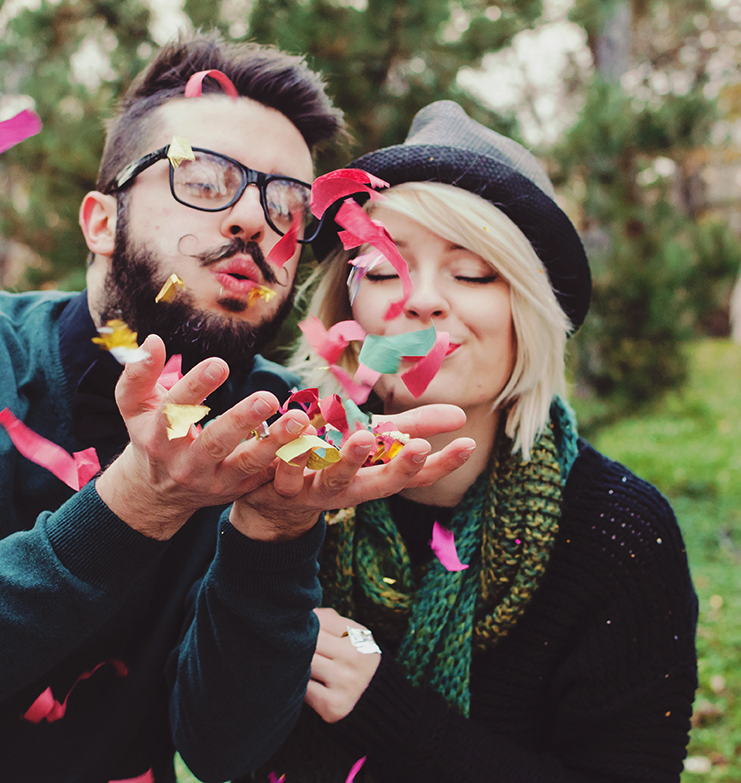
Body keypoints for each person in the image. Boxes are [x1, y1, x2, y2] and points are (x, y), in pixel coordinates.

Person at [0, 36, 474, 783]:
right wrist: (143, 498)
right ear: (100, 221)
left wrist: (275, 532)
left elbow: (223, 750)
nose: (251, 219)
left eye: (286, 204)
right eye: (203, 180)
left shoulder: (277, 427)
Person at [254, 101, 700, 782]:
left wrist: (385, 710)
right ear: (349, 313)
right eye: (382, 269)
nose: (422, 300)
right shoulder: (285, 489)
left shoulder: (618, 533)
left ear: (527, 312)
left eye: (471, 273)